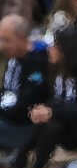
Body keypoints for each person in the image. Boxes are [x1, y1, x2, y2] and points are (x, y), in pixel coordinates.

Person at [11, 25, 77, 168]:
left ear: (66, 49)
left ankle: (26, 166)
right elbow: (54, 99)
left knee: (53, 120)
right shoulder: (58, 69)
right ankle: (27, 167)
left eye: (55, 45)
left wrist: (51, 112)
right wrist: (41, 110)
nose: (50, 49)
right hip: (63, 126)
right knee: (51, 124)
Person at [0, 15, 48, 157]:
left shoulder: (38, 62)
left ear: (21, 38)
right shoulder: (12, 58)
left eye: (6, 40)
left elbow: (25, 104)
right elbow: (6, 91)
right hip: (5, 118)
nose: (1, 45)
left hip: (21, 127)